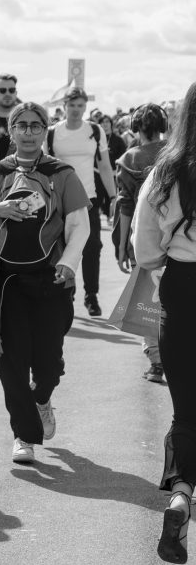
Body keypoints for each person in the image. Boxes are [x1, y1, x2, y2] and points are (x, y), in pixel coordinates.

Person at [0, 102, 89, 464]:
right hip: (6, 283)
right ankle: (23, 435)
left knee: (48, 363)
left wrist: (68, 264)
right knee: (11, 359)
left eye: (36, 126)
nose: (28, 132)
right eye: (21, 126)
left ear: (46, 131)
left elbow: (79, 225)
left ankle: (42, 398)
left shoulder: (61, 174)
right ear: (10, 132)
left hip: (51, 279)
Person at [132, 81, 196, 565]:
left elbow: (145, 245)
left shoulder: (165, 173)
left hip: (181, 283)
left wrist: (167, 268)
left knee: (185, 411)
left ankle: (180, 494)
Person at [44, 87, 116, 317]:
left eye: (80, 105)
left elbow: (105, 166)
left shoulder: (94, 130)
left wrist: (114, 196)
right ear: (64, 106)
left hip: (89, 198)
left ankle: (91, 295)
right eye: (72, 105)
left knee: (93, 246)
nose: (76, 110)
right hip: (61, 198)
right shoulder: (52, 133)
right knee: (63, 247)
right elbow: (45, 168)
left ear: (85, 107)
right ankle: (68, 290)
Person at [115, 103, 169, 384]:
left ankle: (156, 361)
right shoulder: (177, 154)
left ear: (135, 127)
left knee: (147, 299)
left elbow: (126, 207)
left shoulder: (128, 159)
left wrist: (123, 244)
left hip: (144, 238)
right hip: (178, 239)